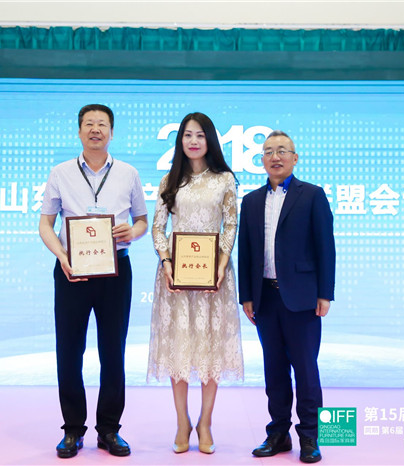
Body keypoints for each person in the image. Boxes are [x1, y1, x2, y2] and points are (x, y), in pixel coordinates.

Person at [39, 104, 148, 459]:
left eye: (102, 124)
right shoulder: (60, 172)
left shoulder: (128, 173)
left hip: (116, 272)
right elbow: (45, 224)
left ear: (112, 133)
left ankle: (109, 430)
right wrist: (62, 256)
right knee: (69, 351)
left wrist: (132, 231)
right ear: (79, 131)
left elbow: (142, 220)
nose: (95, 129)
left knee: (113, 352)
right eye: (89, 124)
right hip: (72, 272)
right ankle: (72, 430)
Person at [147, 112, 244, 455]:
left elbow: (230, 224)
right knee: (180, 348)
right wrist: (167, 262)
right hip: (176, 277)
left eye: (200, 135)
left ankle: (205, 422)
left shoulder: (224, 180)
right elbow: (158, 227)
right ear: (180, 141)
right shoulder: (169, 180)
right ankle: (181, 422)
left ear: (210, 140)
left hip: (213, 277)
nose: (193, 141)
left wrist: (221, 263)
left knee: (210, 348)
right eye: (187, 135)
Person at [238, 130, 335, 464]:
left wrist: (325, 293)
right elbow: (246, 251)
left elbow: (326, 247)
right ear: (261, 160)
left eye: (282, 151)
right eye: (268, 152)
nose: (275, 157)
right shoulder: (251, 201)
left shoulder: (312, 195)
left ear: (295, 158)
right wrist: (246, 296)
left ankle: (310, 436)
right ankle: (278, 433)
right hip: (265, 298)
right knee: (274, 370)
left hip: (302, 298)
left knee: (306, 370)